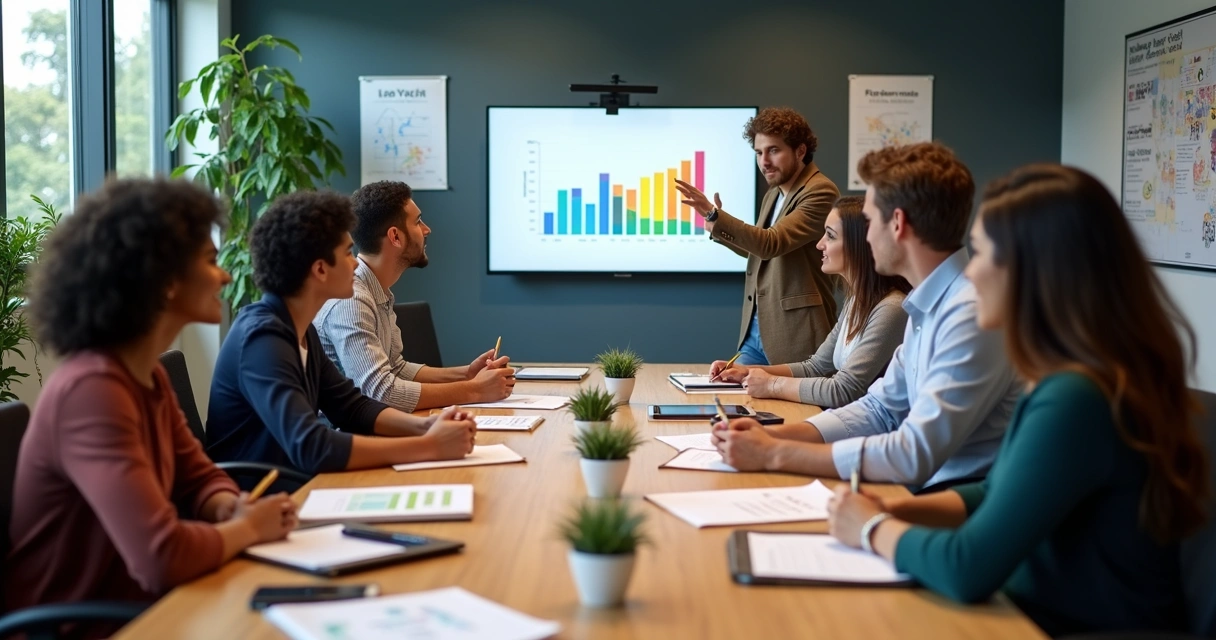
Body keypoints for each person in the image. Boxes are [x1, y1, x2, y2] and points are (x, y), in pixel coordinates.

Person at [827, 164, 1210, 636]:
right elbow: (995, 492)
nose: (972, 271)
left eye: (983, 252)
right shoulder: (1078, 377)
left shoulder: (1076, 398)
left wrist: (871, 529)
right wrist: (896, 510)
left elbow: (966, 567)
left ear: (1031, 271)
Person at [5, 179, 297, 633]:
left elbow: (197, 476)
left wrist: (228, 507)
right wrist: (250, 528)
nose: (225, 276)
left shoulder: (148, 374)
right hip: (86, 627)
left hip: (151, 608)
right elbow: (162, 556)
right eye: (210, 261)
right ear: (164, 280)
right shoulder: (91, 391)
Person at [713, 142, 1020, 489]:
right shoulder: (925, 305)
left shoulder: (969, 314)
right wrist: (774, 436)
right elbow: (879, 409)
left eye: (870, 221)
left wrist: (774, 453)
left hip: (945, 495)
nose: (866, 236)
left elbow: (913, 454)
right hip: (919, 488)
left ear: (898, 224)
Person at [206, 190, 476, 478]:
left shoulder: (300, 330)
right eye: (347, 253)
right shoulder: (262, 340)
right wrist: (428, 446)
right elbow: (311, 446)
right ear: (321, 269)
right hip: (259, 494)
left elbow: (351, 407)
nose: (356, 262)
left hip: (293, 483)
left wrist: (426, 426)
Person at [314, 181, 515, 412]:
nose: (427, 229)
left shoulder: (377, 290)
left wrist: (467, 374)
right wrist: (476, 390)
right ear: (395, 236)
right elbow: (380, 391)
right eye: (418, 222)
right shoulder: (352, 300)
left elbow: (396, 368)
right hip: (340, 431)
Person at [709, 195, 910, 408]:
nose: (820, 244)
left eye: (830, 236)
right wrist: (746, 371)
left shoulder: (891, 309)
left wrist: (771, 384)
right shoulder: (856, 301)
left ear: (859, 245)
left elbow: (844, 390)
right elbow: (814, 367)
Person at [675, 106, 839, 365]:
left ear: (800, 151)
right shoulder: (774, 193)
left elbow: (771, 243)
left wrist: (716, 216)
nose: (764, 161)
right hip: (756, 332)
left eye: (774, 150)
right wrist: (716, 225)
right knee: (726, 391)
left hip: (796, 333)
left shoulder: (820, 191)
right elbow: (760, 252)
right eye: (759, 152)